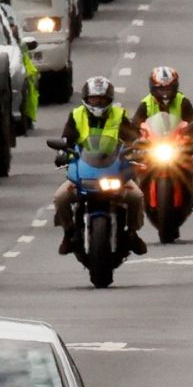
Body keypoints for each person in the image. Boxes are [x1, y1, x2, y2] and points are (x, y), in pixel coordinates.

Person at [53, 76, 148, 256]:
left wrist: (139, 148)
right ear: (87, 99)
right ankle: (68, 233)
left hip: (113, 169)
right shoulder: (76, 115)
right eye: (94, 98)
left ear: (109, 99)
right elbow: (66, 139)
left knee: (135, 196)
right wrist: (62, 153)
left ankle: (133, 232)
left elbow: (133, 138)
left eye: (102, 98)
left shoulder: (119, 115)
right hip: (85, 170)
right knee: (61, 197)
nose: (97, 102)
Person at [132, 66, 193, 210]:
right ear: (153, 88)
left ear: (175, 87)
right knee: (133, 166)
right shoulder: (146, 103)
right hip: (153, 145)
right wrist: (136, 140)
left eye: (168, 89)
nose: (165, 93)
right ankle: (139, 195)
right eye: (161, 89)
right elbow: (135, 124)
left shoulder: (183, 101)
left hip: (177, 144)